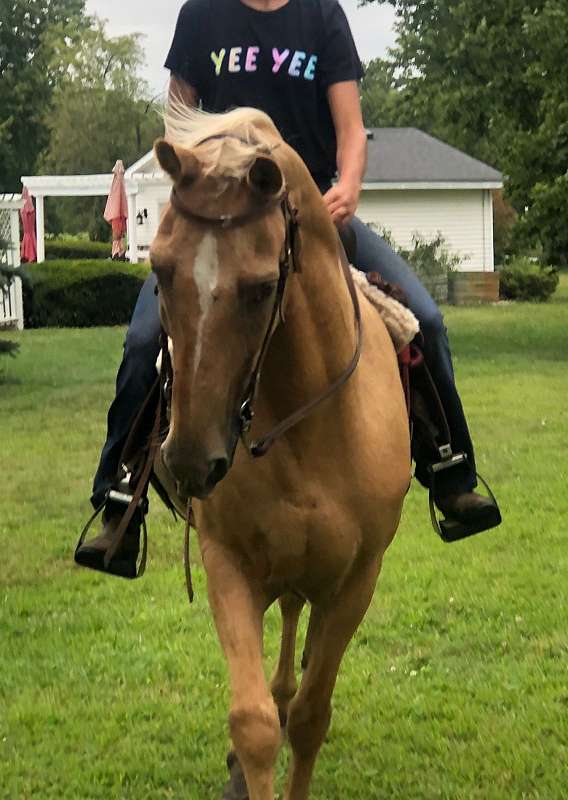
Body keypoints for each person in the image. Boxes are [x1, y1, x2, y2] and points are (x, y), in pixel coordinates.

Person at [75, 0, 499, 578]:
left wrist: (348, 186)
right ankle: (121, 499)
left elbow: (350, 130)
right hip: (221, 225)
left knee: (422, 317)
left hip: (312, 216)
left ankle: (451, 473)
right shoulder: (201, 15)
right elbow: (178, 124)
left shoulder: (322, 16)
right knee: (144, 339)